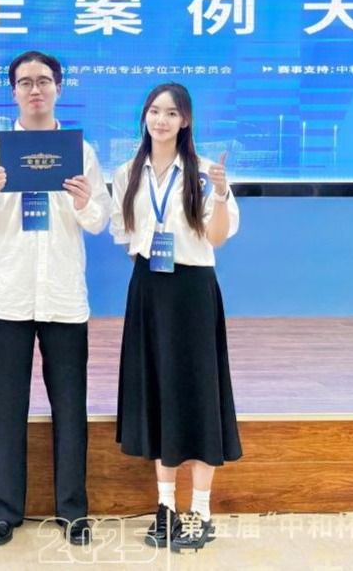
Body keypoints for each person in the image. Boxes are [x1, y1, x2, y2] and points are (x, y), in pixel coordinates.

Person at [0, 50, 112, 547]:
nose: (35, 89)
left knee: (70, 408)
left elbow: (99, 221)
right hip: (9, 297)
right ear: (13, 92)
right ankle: (3, 510)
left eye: (43, 80)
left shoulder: (82, 152)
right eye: (25, 82)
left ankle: (73, 511)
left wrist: (85, 202)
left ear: (59, 88)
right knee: (5, 408)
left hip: (64, 298)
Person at [108, 82, 242, 553]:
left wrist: (221, 195)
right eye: (154, 111)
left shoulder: (204, 172)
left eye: (171, 113)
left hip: (192, 290)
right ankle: (165, 506)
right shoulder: (127, 172)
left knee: (199, 393)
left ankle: (200, 509)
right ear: (144, 116)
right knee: (158, 390)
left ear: (185, 120)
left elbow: (217, 237)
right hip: (148, 288)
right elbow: (125, 235)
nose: (161, 120)